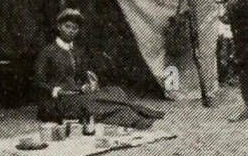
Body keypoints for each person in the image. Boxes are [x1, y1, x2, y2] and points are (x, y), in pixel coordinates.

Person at [33, 8, 164, 130]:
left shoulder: (77, 51)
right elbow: (38, 81)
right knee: (93, 103)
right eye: (67, 26)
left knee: (115, 91)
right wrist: (55, 90)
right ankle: (134, 116)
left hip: (77, 94)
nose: (71, 30)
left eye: (75, 28)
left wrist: (88, 83)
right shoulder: (48, 51)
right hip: (56, 102)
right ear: (59, 26)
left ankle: (131, 112)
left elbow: (81, 75)